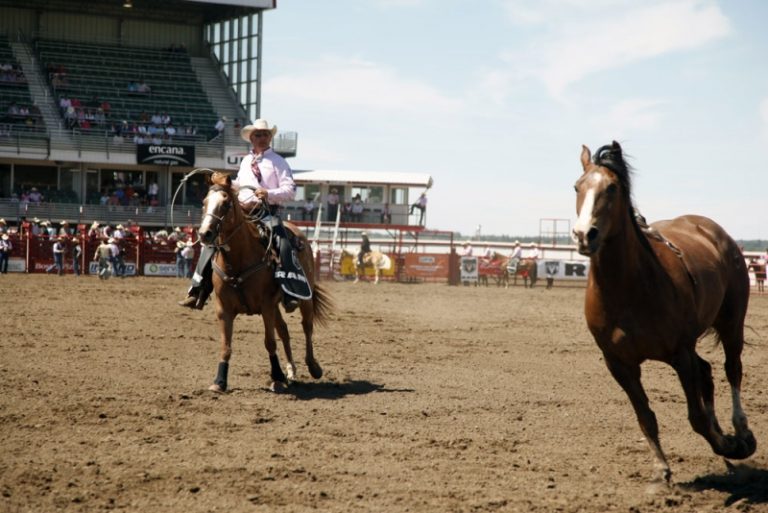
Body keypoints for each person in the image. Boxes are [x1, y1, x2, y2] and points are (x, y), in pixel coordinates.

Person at [180, 118, 307, 311]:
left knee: (283, 243)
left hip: (266, 212)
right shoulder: (247, 161)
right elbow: (239, 184)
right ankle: (198, 290)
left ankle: (289, 293)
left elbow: (290, 190)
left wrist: (269, 193)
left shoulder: (279, 162)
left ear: (270, 137)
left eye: (265, 134)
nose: (261, 138)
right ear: (251, 138)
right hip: (242, 212)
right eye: (257, 135)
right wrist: (224, 182)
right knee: (213, 241)